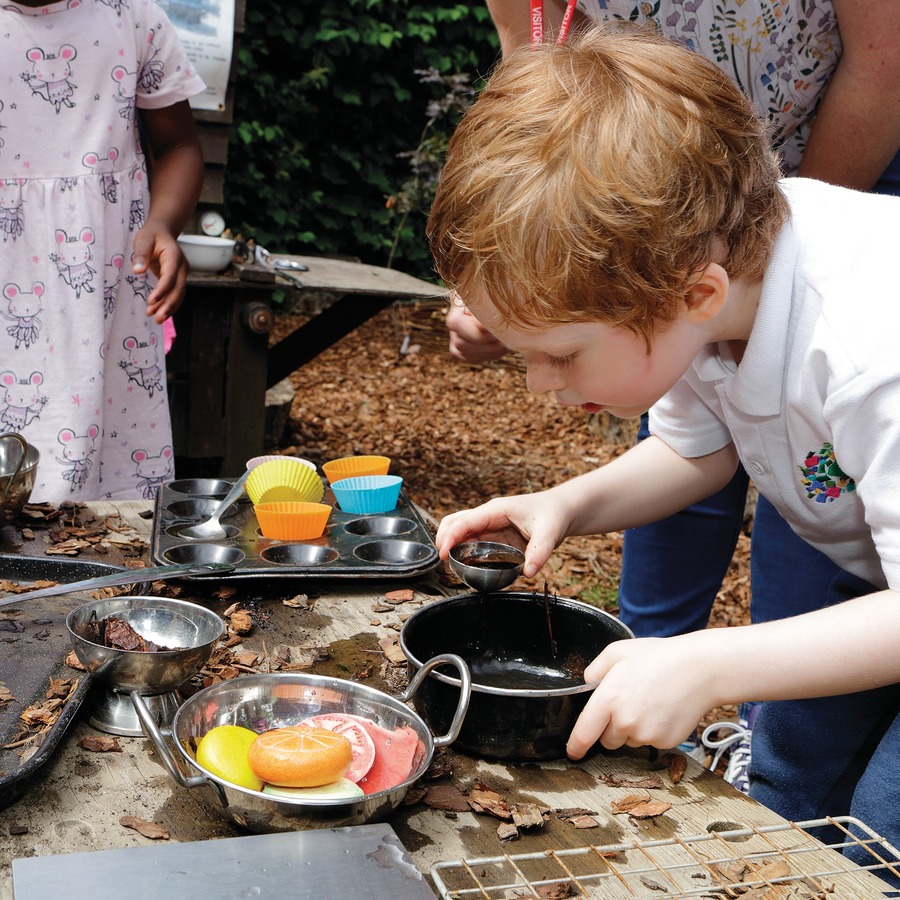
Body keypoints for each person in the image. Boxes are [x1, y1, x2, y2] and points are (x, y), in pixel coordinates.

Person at [427, 26, 900, 877]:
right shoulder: (706, 294)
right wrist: (567, 505)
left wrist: (704, 661)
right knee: (788, 796)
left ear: (695, 292)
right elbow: (696, 455)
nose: (539, 384)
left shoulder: (870, 347)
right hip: (876, 588)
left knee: (879, 839)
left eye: (561, 353)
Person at [0, 0, 205, 502]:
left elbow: (179, 145)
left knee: (97, 492)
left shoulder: (132, 18)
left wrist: (162, 224)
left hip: (101, 285)